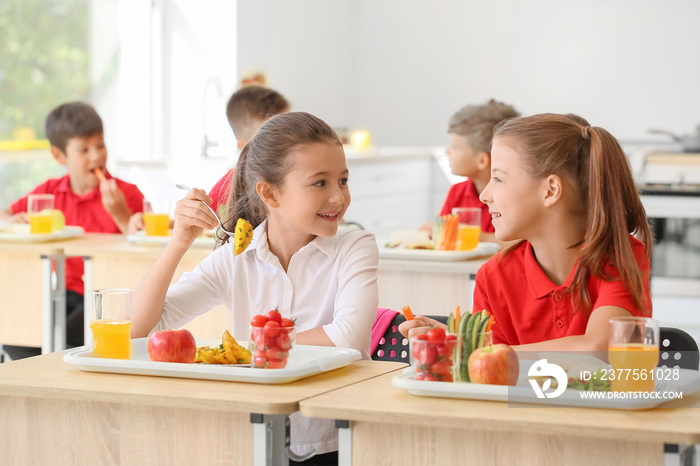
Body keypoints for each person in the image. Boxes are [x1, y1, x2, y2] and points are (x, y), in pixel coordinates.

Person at [131, 111, 379, 463]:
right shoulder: (236, 257)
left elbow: (347, 338)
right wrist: (178, 244)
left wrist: (243, 353)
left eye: (343, 180)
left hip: (336, 440)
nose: (339, 197)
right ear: (270, 194)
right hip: (253, 436)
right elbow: (139, 329)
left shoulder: (356, 247)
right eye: (320, 183)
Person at [402, 113, 652, 353]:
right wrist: (463, 348)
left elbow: (600, 348)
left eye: (498, 179)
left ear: (550, 190)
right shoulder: (493, 276)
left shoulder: (620, 257)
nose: (484, 195)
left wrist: (477, 350)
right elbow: (491, 371)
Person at [0, 101, 144, 359]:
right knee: (18, 331)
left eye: (100, 146)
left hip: (108, 295)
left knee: (62, 338)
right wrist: (13, 221)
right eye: (84, 149)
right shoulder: (49, 192)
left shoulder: (127, 193)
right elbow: (5, 214)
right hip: (64, 292)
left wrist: (121, 213)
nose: (96, 156)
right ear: (59, 156)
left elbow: (144, 250)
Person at [126, 85, 290, 234]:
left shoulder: (298, 177)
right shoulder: (231, 183)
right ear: (244, 147)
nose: (289, 142)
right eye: (273, 140)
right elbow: (201, 219)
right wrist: (147, 223)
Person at [421, 99, 519, 246]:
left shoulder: (516, 194)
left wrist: (469, 236)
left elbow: (526, 244)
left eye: (455, 147)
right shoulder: (457, 192)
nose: (448, 151)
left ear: (482, 161)